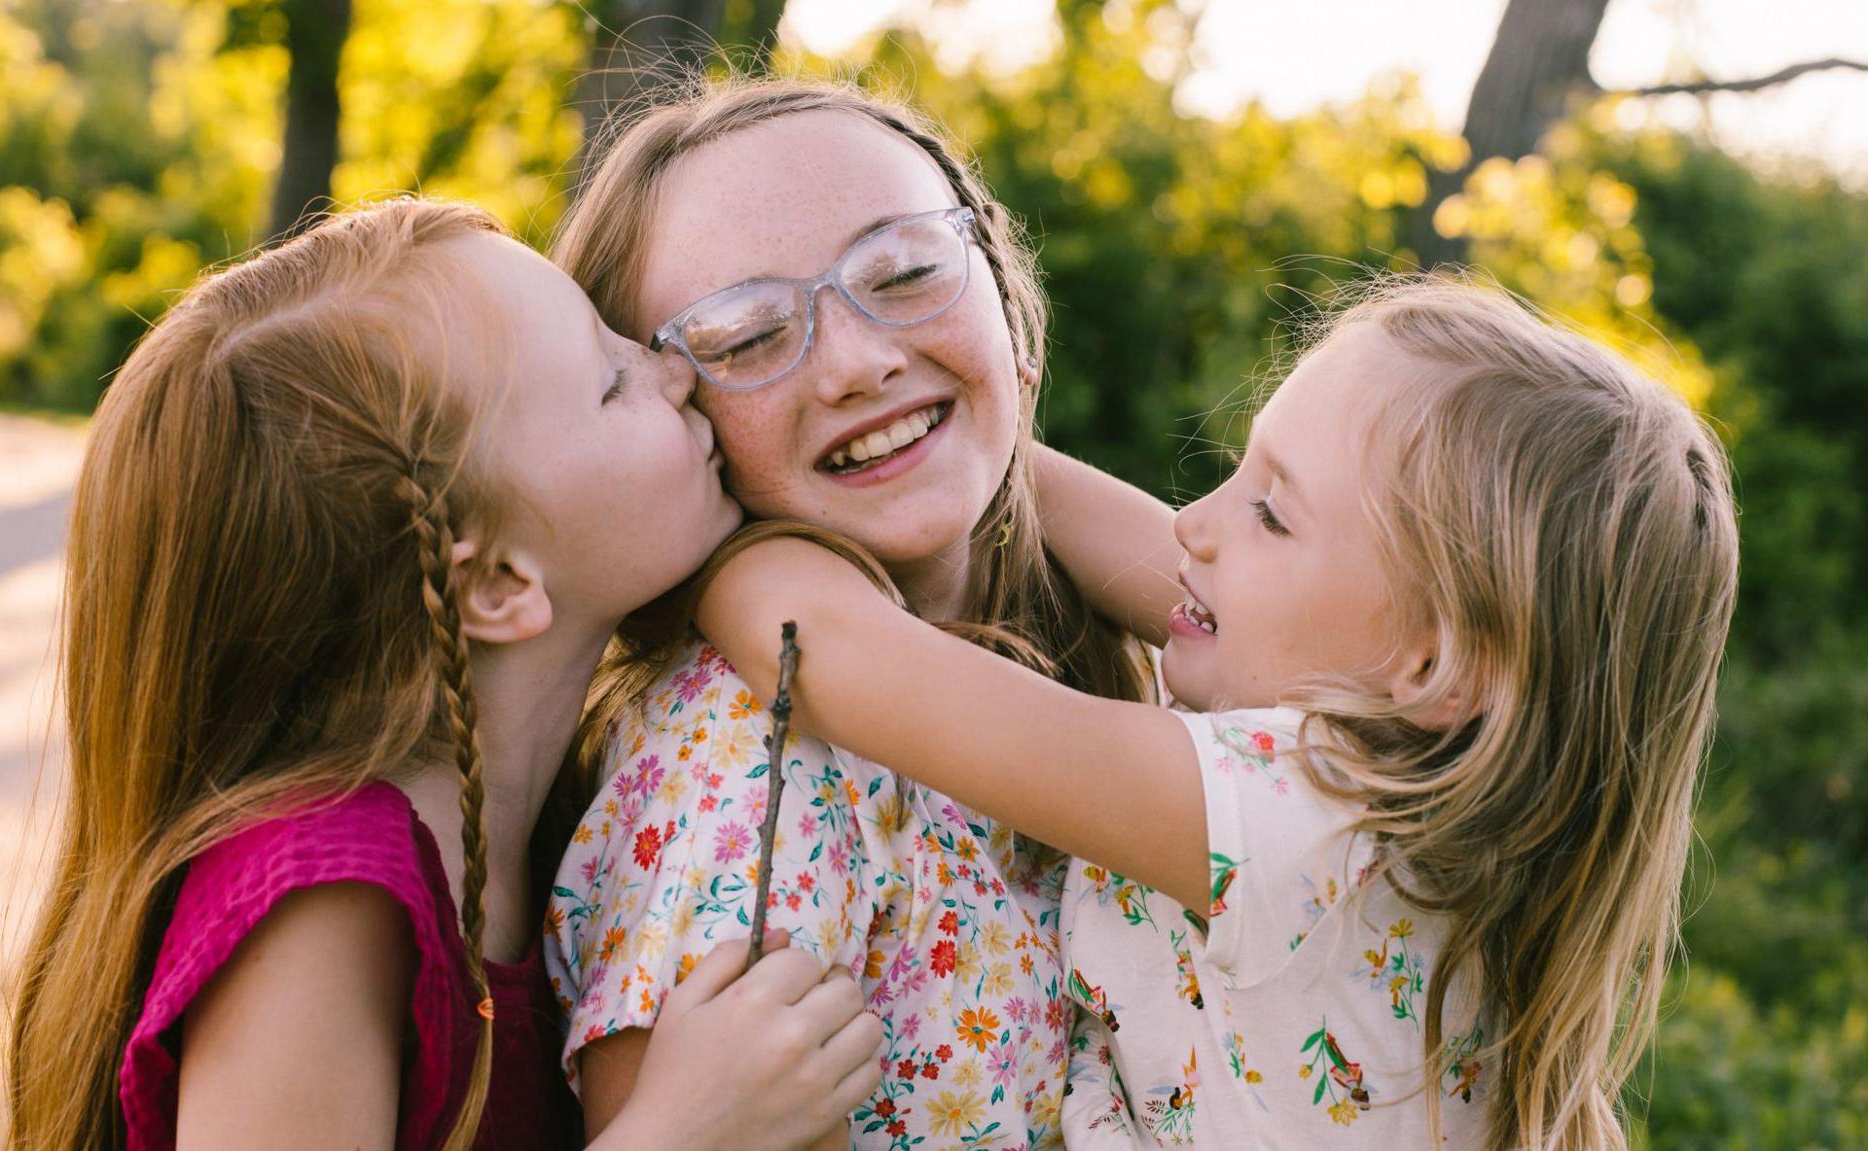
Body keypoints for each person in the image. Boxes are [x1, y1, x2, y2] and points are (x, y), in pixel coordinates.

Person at [697, 276, 1739, 1150]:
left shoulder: (1312, 826)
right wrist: (958, 429)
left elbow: (826, 652)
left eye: (1270, 510)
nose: (1192, 524)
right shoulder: (1433, 804)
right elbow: (1169, 573)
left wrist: (718, 499)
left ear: (1435, 663)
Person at [4, 198, 882, 1151]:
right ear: (499, 582)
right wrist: (685, 1130)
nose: (675, 369)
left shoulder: (553, 829)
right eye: (609, 381)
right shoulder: (325, 897)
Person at [542, 75, 1158, 1148]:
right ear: (665, 427)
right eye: (741, 337)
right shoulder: (751, 761)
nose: (861, 359)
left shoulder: (1081, 639)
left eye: (907, 269)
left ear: (1001, 292)